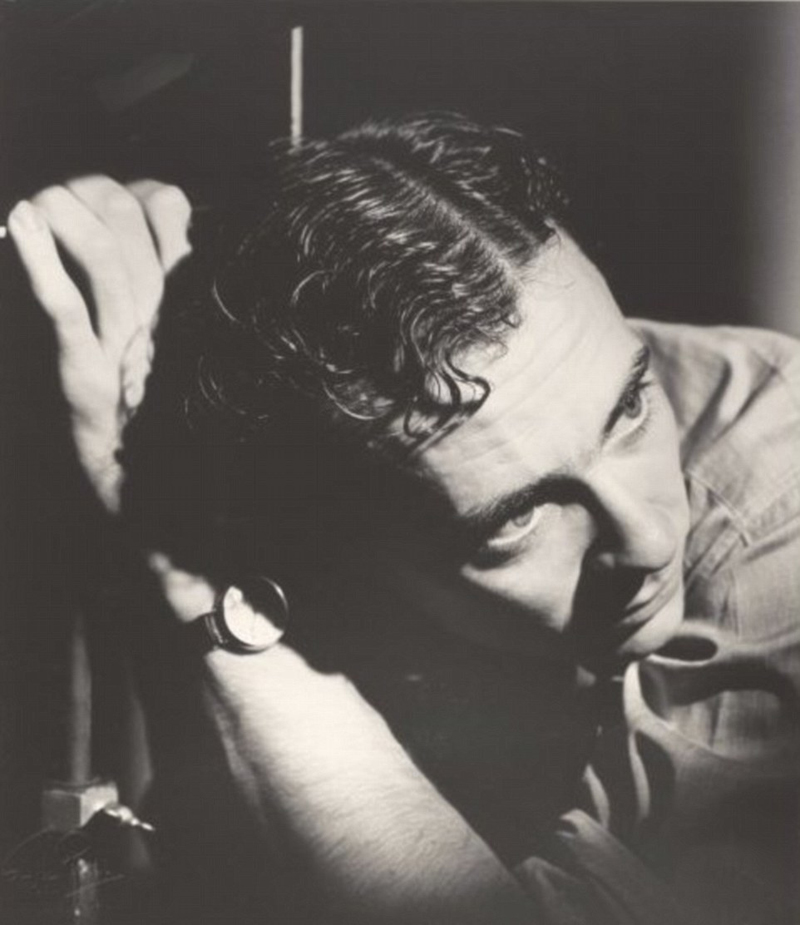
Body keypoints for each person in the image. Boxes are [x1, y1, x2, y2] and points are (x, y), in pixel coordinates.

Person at [7, 113, 800, 925]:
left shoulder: (779, 472)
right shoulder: (305, 525)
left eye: (629, 407)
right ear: (341, 550)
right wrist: (171, 525)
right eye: (517, 519)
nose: (651, 539)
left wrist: (187, 578)